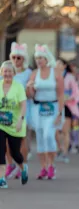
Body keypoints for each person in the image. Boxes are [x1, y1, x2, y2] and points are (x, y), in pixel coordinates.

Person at [26, 44, 64, 180]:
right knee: (41, 137)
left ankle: (51, 165)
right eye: (37, 58)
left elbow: (60, 94)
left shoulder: (56, 73)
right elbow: (30, 95)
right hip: (38, 108)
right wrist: (29, 88)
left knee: (49, 134)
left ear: (47, 59)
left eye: (41, 58)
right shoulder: (34, 74)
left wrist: (60, 113)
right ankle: (43, 167)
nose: (39, 61)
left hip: (52, 108)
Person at [4, 42, 32, 180]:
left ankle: (23, 164)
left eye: (19, 58)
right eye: (14, 57)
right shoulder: (5, 72)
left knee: (21, 140)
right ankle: (9, 165)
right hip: (6, 113)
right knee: (5, 141)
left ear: (24, 59)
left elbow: (30, 93)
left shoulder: (28, 73)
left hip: (23, 109)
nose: (16, 60)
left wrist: (30, 89)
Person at [0, 61, 29, 188]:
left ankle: (23, 167)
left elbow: (23, 105)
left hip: (15, 125)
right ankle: (2, 178)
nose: (7, 74)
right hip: (1, 124)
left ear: (14, 73)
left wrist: (20, 120)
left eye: (9, 71)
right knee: (0, 151)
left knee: (15, 153)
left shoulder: (18, 87)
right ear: (1, 73)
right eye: (5, 71)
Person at [56, 59, 79, 163]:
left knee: (65, 130)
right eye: (56, 64)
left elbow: (76, 91)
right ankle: (59, 148)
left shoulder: (70, 77)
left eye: (60, 64)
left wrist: (71, 98)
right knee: (55, 131)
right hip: (55, 105)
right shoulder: (52, 77)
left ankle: (65, 152)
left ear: (64, 66)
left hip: (67, 106)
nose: (57, 66)